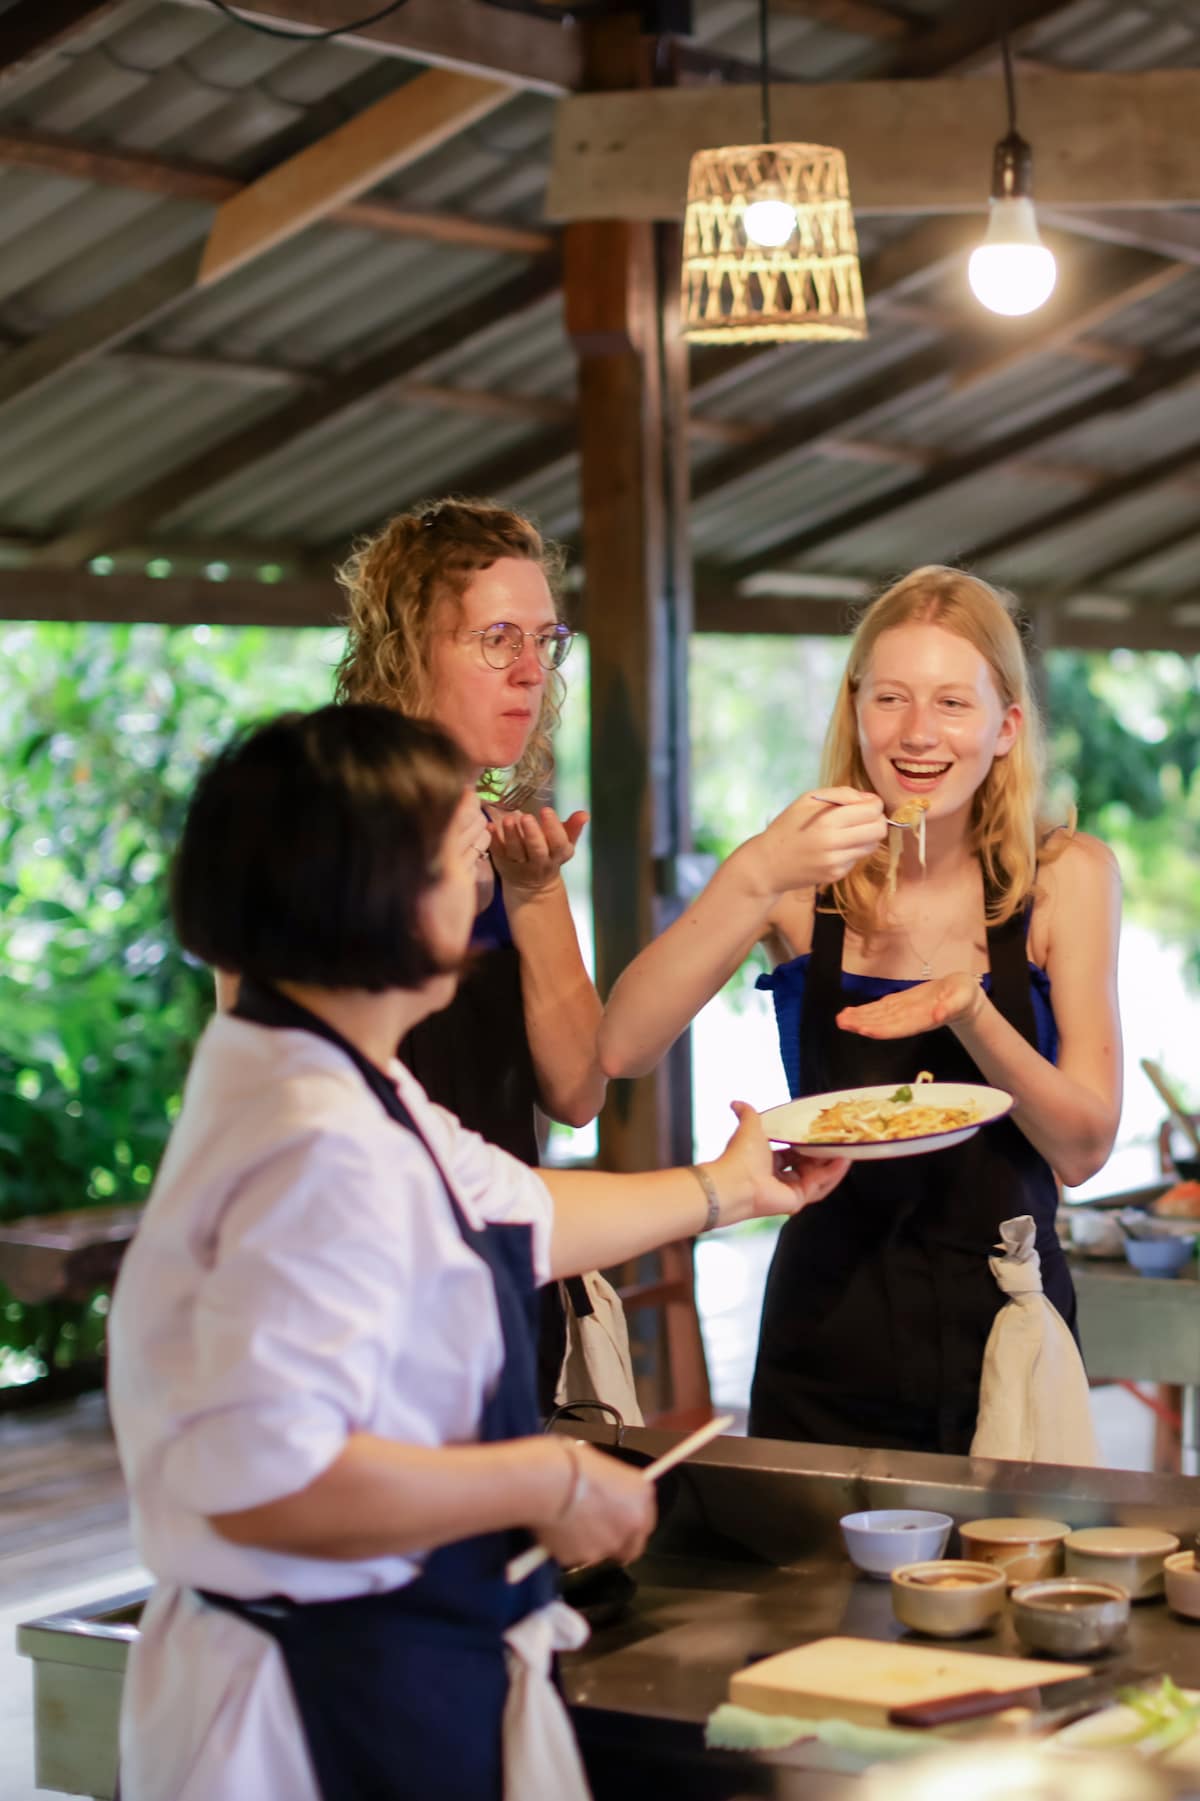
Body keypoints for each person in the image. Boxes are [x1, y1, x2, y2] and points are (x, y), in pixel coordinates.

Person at [108, 703, 848, 1801]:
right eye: (458, 849)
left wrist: (726, 1188)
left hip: (389, 1659)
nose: (482, 877)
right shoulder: (305, 1144)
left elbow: (509, 1207)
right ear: (367, 892)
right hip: (322, 1705)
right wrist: (545, 1475)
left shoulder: (328, 1068)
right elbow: (267, 1477)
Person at [599, 566, 1123, 1455]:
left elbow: (1083, 1147)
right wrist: (757, 870)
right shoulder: (799, 877)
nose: (918, 734)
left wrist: (971, 1012)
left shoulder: (1065, 875)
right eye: (891, 698)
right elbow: (623, 1045)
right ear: (856, 712)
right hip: (824, 1330)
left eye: (954, 703)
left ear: (1007, 727)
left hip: (1008, 1322)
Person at [332, 497, 605, 1407]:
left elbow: (577, 1092)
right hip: (368, 1307)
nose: (532, 672)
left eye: (545, 639)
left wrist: (534, 894)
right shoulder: (317, 835)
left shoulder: (516, 845)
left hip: (505, 1288)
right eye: (497, 639)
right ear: (410, 650)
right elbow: (279, 1078)